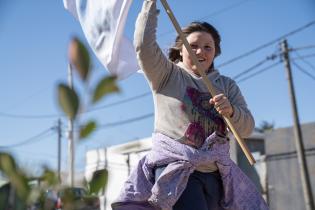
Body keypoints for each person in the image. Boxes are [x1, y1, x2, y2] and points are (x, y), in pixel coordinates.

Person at [112, 0, 268, 210]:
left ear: (215, 52)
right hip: (176, 169)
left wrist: (231, 111)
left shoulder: (227, 86)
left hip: (216, 174)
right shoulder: (166, 75)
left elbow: (247, 128)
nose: (200, 51)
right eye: (192, 46)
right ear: (180, 49)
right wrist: (150, 5)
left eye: (207, 47)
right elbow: (143, 45)